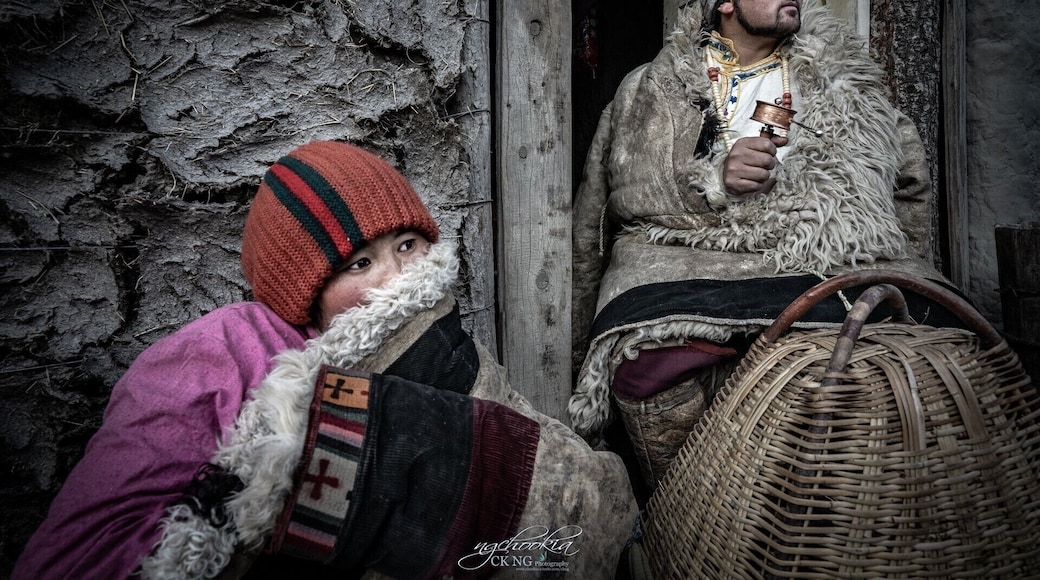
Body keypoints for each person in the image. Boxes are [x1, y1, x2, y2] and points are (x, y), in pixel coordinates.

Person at [14, 141, 637, 579]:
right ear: (302, 296)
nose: (398, 279)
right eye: (358, 264)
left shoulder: (444, 338)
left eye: (409, 245)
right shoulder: (223, 351)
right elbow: (79, 555)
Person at [569, 0, 961, 494]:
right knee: (646, 364)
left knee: (926, 355)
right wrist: (717, 181)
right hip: (694, 255)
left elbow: (907, 190)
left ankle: (820, 510)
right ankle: (689, 508)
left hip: (818, 258)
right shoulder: (652, 84)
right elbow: (622, 192)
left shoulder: (845, 81)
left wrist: (904, 265)